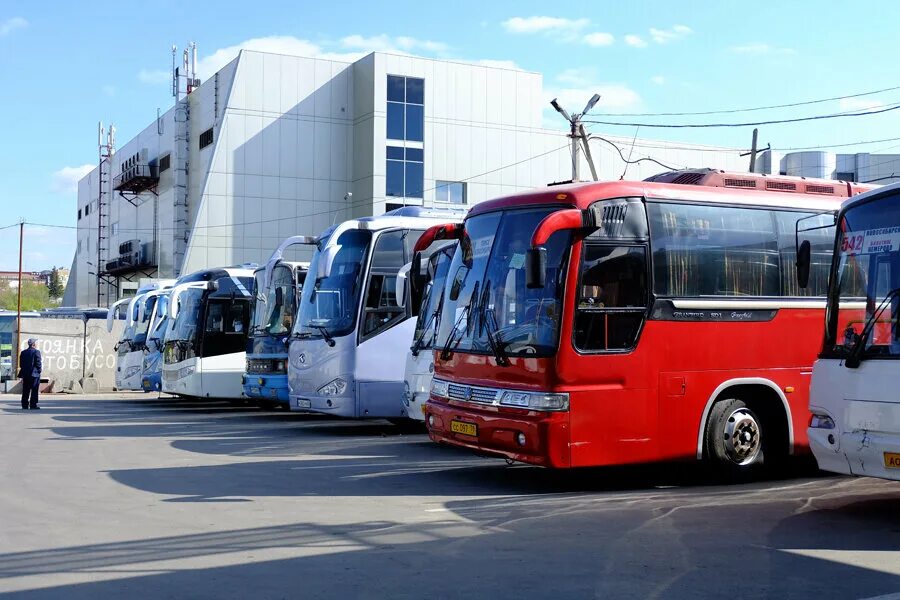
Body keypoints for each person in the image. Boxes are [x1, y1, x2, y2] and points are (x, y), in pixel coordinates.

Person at [18, 338, 42, 410]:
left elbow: (21, 364)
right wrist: (39, 370)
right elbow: (38, 363)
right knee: (34, 390)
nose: (36, 344)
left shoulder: (23, 352)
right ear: (33, 344)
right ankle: (33, 405)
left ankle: (24, 404)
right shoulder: (36, 352)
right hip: (34, 374)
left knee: (25, 390)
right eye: (36, 343)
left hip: (25, 374)